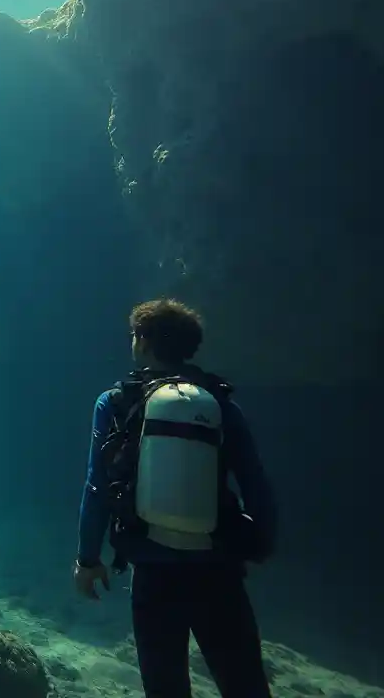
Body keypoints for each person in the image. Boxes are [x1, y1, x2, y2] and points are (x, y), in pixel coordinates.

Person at [73, 298, 277, 698]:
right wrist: (260, 543)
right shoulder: (219, 403)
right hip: (218, 565)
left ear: (145, 342)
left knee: (165, 686)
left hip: (153, 567)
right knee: (245, 684)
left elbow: (96, 486)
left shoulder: (115, 403)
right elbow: (254, 481)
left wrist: (87, 558)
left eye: (135, 334)